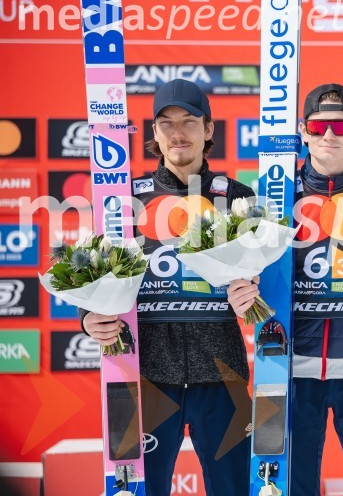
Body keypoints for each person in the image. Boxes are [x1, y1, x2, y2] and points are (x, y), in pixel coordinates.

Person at [229, 83, 343, 496]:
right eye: (318, 125)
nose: (328, 135)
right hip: (288, 369)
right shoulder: (275, 189)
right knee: (293, 486)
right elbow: (243, 267)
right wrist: (238, 291)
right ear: (303, 131)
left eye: (340, 125)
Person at [81, 79, 253, 495]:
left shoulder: (236, 197)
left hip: (223, 373)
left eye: (189, 121)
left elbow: (262, 280)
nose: (178, 133)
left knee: (233, 489)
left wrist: (253, 294)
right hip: (145, 374)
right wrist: (87, 318)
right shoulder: (124, 199)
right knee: (142, 489)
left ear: (208, 130)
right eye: (166, 123)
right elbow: (94, 276)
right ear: (154, 134)